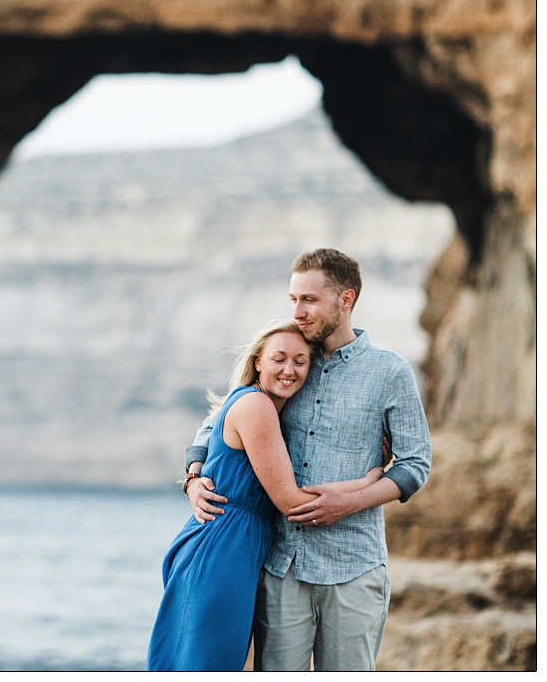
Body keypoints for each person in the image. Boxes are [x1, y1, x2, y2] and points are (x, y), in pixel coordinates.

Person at [183, 249, 431, 670]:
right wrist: (192, 476)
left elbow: (415, 465)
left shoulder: (390, 372)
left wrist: (350, 501)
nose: (297, 311)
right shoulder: (290, 360)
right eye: (293, 299)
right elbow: (221, 418)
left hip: (354, 565)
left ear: (345, 300)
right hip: (283, 565)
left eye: (309, 300)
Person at [146, 321, 383, 670]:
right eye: (279, 359)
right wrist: (369, 482)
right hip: (221, 549)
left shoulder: (274, 407)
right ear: (258, 361)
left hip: (240, 549)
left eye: (300, 362)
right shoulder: (256, 405)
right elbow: (290, 502)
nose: (289, 370)